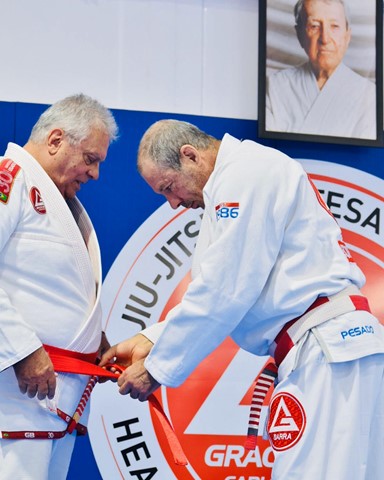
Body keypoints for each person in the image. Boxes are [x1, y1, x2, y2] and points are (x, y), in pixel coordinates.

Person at [101, 119, 384, 479]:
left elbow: (226, 288)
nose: (173, 203)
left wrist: (157, 367)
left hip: (327, 351)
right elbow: (222, 285)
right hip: (338, 345)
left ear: (190, 156)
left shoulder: (245, 173)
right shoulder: (238, 179)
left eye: (169, 188)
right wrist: (151, 339)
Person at [0, 93, 118, 479]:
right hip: (17, 393)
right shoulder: (10, 177)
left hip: (53, 397)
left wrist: (90, 335)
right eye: (91, 159)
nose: (96, 174)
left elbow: (49, 285)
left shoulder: (56, 197)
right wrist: (22, 349)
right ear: (55, 140)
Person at [266, 0, 377, 139]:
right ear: (300, 35)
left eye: (335, 26)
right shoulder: (276, 86)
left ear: (347, 36)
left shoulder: (368, 95)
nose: (325, 39)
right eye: (314, 26)